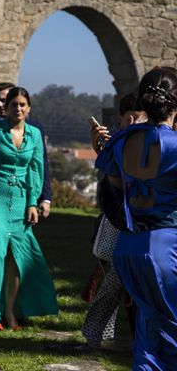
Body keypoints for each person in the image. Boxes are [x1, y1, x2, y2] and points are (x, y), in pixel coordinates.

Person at [95, 67, 177, 370]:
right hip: (167, 248)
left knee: (148, 337)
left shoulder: (122, 140)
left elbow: (112, 194)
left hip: (129, 248)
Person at [0, 87, 58, 330]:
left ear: (28, 108)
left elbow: (36, 169)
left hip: (20, 200)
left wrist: (32, 202)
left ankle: (10, 313)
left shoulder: (35, 135)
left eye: (22, 104)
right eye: (13, 104)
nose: (18, 109)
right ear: (5, 108)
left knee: (17, 258)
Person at [81, 93, 145, 348]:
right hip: (125, 223)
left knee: (124, 284)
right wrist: (102, 151)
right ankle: (97, 334)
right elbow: (111, 187)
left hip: (140, 224)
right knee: (117, 282)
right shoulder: (121, 141)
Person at [0, 82, 52, 218]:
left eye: (3, 100)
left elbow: (40, 165)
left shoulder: (35, 130)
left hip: (22, 196)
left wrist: (45, 198)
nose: (0, 105)